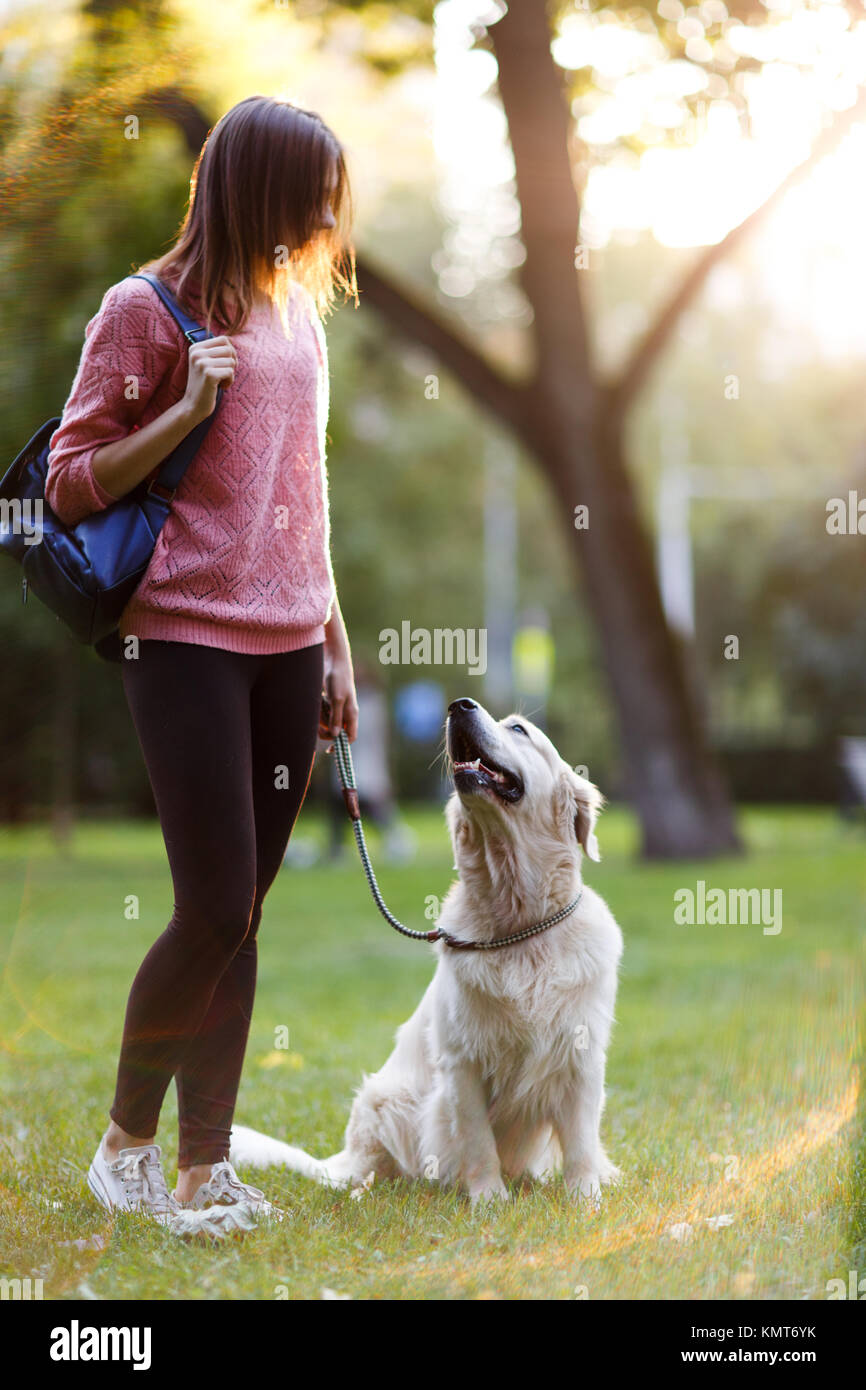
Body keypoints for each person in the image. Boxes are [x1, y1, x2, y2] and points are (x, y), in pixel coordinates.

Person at [44, 95, 359, 1230]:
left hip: (285, 643)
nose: (328, 213)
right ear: (253, 186)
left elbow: (306, 501)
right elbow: (66, 484)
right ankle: (123, 1150)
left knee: (243, 917)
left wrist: (333, 644)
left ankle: (203, 1167)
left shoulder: (297, 320)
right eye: (311, 188)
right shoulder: (145, 308)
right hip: (178, 634)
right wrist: (182, 410)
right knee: (213, 900)